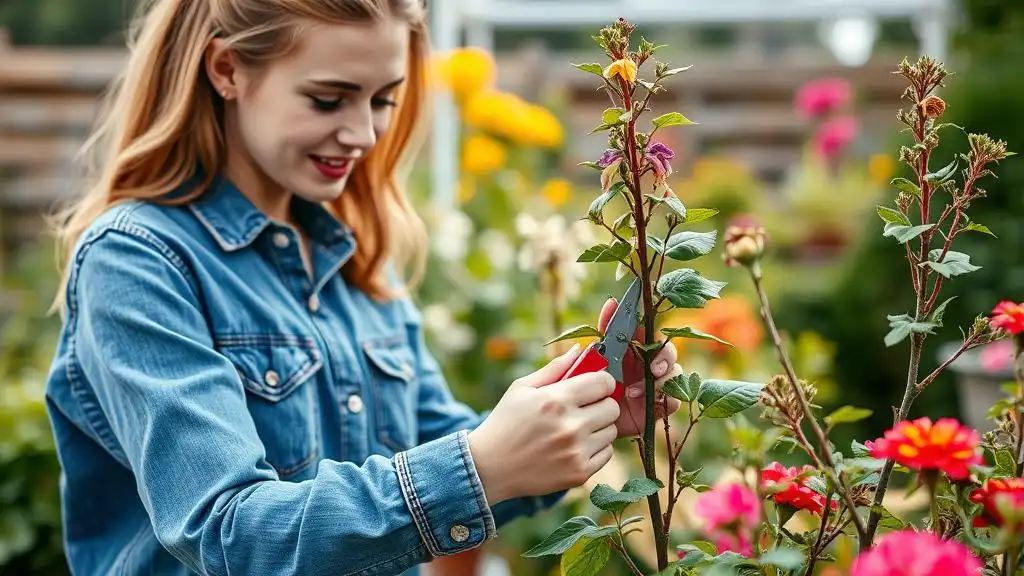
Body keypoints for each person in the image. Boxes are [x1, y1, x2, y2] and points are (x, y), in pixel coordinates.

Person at [42, 1, 684, 575]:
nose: (364, 134)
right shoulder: (139, 261)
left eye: (382, 100)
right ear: (228, 70)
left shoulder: (355, 262)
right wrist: (480, 465)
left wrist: (581, 406)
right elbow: (230, 536)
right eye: (328, 99)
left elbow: (453, 448)